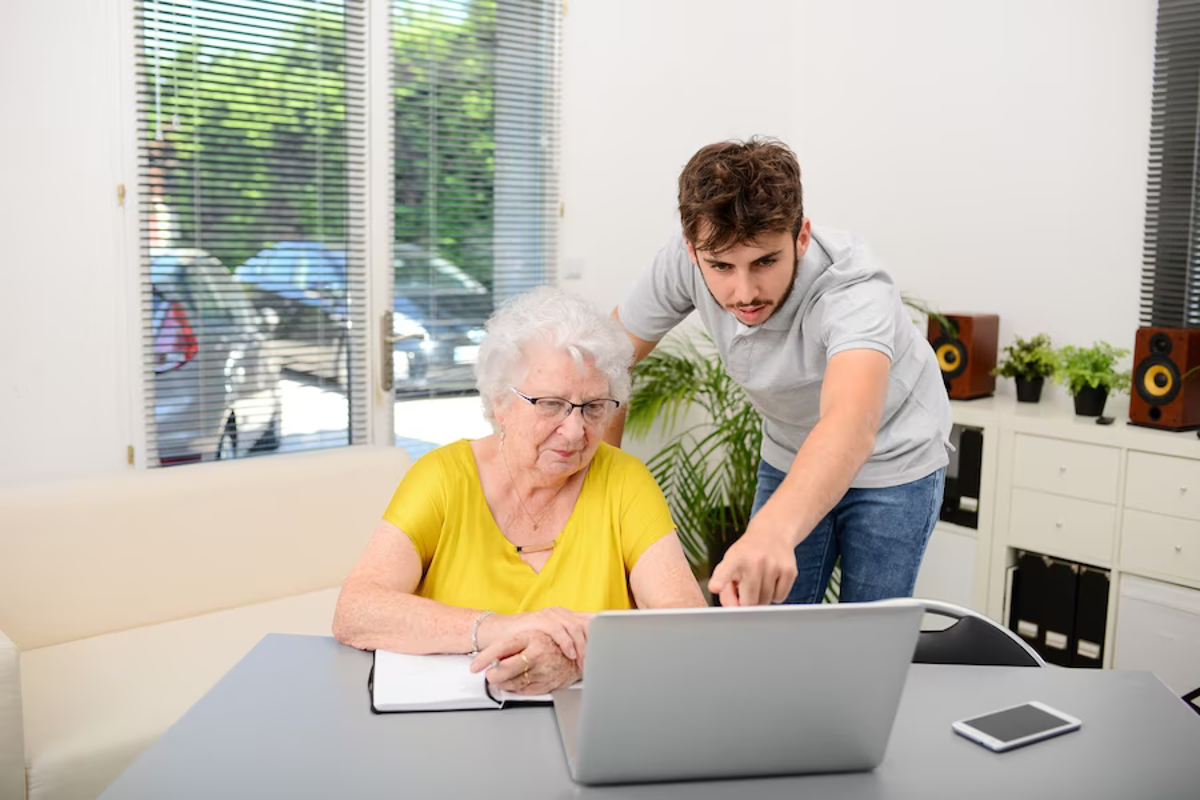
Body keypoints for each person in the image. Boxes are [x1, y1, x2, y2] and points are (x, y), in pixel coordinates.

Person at [608, 137, 951, 608]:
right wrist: (596, 491)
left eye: (765, 261)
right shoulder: (685, 258)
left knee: (869, 636)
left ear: (801, 236)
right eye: (721, 266)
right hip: (790, 449)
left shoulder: (853, 288)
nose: (743, 291)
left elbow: (851, 423)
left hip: (894, 458)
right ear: (692, 249)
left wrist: (770, 532)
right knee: (767, 629)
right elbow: (605, 359)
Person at [333, 286, 705, 695]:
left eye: (594, 407)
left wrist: (575, 656)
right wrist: (499, 629)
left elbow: (685, 620)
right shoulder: (443, 477)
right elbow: (356, 611)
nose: (575, 430)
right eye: (551, 404)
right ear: (499, 402)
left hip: (587, 727)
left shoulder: (625, 481)